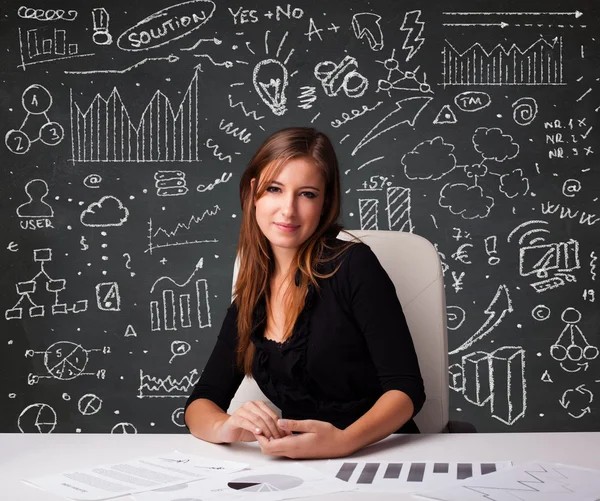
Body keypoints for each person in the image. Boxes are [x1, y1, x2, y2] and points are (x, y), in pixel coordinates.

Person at [185, 127, 425, 459]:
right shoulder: (251, 296)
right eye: (274, 189)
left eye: (307, 194)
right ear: (252, 193)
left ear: (325, 203)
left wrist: (342, 442)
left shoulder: (354, 265)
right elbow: (201, 402)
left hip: (378, 455)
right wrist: (226, 426)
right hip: (300, 469)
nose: (288, 210)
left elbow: (406, 389)